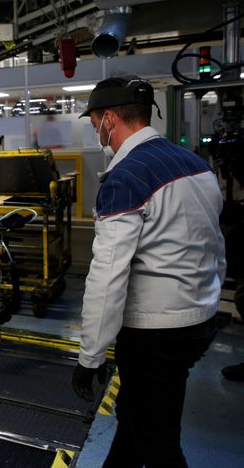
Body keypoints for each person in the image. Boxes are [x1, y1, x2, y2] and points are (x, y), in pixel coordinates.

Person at [73, 75, 226, 468]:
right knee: (139, 418)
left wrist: (90, 357)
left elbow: (107, 278)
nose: (96, 133)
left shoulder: (126, 177)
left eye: (94, 124)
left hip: (156, 332)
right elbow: (214, 245)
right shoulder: (196, 164)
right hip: (200, 318)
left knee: (157, 441)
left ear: (109, 118)